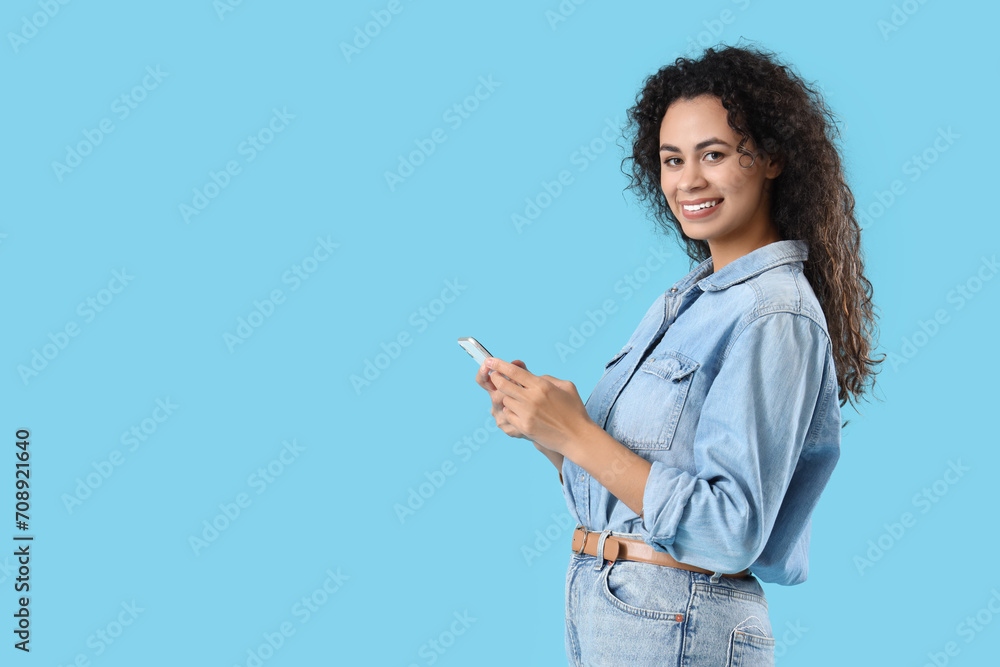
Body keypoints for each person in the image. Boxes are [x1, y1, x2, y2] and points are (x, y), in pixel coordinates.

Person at [475, 41, 883, 665]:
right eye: (671, 159)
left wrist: (580, 435)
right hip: (620, 613)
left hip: (680, 622)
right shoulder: (690, 300)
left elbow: (729, 530)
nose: (687, 181)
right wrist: (549, 432)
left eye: (713, 155)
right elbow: (637, 493)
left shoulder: (773, 314)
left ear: (772, 158)